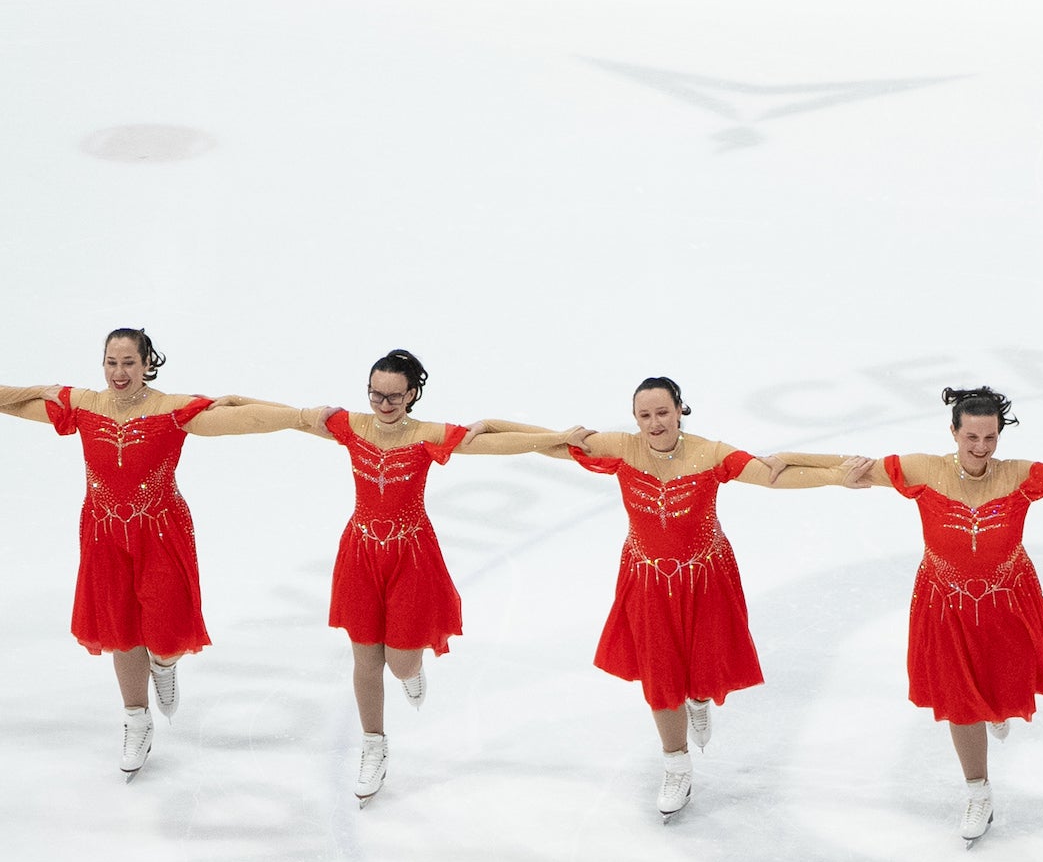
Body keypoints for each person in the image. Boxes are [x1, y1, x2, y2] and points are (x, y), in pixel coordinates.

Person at [840, 386, 1043, 845]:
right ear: (954, 432)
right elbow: (844, 468)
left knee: (996, 686)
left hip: (1006, 598)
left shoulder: (1019, 475)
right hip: (945, 601)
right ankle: (978, 790)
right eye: (972, 437)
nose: (981, 447)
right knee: (961, 700)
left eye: (990, 437)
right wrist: (787, 460)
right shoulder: (923, 470)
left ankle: (995, 707)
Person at [0, 328, 320, 774]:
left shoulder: (172, 410)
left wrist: (302, 416)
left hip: (161, 531)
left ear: (148, 363)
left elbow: (243, 419)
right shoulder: (84, 406)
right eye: (111, 362)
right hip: (103, 531)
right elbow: (6, 400)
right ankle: (136, 720)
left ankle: (165, 664)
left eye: (128, 362)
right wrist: (44, 389)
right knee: (120, 629)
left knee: (166, 629)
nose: (118, 372)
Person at [545, 376, 859, 819]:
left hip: (705, 575)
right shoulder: (623, 448)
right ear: (635, 419)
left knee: (701, 660)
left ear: (679, 410)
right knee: (659, 673)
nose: (654, 423)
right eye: (645, 415)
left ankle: (699, 697)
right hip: (648, 577)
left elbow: (771, 475)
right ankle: (676, 764)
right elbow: (558, 445)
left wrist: (835, 477)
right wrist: (528, 434)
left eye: (662, 412)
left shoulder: (709, 453)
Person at [300, 349, 581, 803]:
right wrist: (243, 403)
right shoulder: (351, 426)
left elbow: (491, 445)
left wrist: (556, 436)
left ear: (412, 394)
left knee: (400, 662)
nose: (383, 404)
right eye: (376, 394)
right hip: (361, 553)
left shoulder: (429, 436)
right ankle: (374, 745)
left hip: (411, 555)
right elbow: (288, 420)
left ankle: (412, 670)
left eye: (394, 396)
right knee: (365, 661)